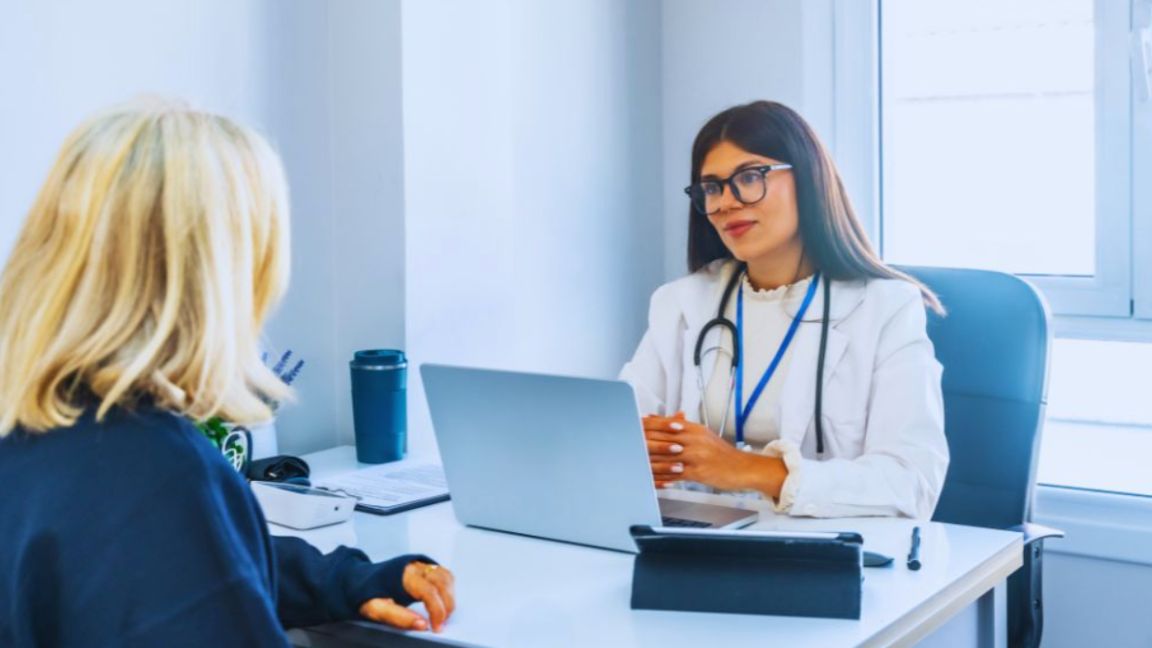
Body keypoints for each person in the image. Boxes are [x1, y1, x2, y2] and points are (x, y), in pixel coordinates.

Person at [0, 100, 455, 646]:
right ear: (217, 276)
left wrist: (344, 580)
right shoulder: (154, 475)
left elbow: (170, 569)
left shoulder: (40, 431)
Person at [620, 100, 949, 519]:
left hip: (819, 552)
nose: (725, 203)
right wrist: (638, 447)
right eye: (712, 187)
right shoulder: (682, 303)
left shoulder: (886, 309)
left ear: (809, 179)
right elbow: (621, 432)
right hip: (693, 542)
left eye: (750, 177)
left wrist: (746, 470)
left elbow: (911, 483)